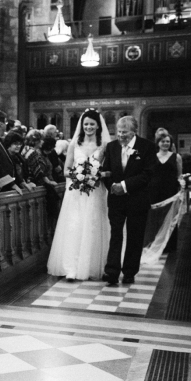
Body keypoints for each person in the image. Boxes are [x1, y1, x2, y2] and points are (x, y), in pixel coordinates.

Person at [47, 109, 112, 281]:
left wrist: (97, 175)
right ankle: (71, 267)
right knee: (74, 226)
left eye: (92, 124)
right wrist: (79, 175)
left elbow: (108, 169)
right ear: (81, 126)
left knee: (93, 225)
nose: (89, 127)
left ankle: (91, 265)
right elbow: (66, 170)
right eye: (86, 124)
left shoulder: (104, 145)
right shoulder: (74, 144)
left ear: (98, 125)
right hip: (76, 192)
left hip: (96, 191)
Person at [102, 115, 157, 285]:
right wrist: (112, 186)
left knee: (135, 237)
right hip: (116, 200)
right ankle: (111, 272)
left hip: (137, 199)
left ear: (134, 132)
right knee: (116, 235)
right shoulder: (111, 147)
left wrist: (124, 186)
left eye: (124, 133)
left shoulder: (147, 147)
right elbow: (106, 171)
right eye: (118, 132)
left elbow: (148, 174)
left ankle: (129, 272)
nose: (120, 136)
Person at [142, 128, 184, 258]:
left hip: (170, 190)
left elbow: (179, 174)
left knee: (169, 217)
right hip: (154, 190)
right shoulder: (152, 157)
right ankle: (152, 242)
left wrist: (181, 186)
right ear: (158, 143)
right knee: (154, 217)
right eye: (163, 141)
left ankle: (169, 245)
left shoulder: (176, 157)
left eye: (167, 141)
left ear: (171, 143)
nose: (165, 143)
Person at [0, 110, 24, 194]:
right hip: (1, 187)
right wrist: (12, 184)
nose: (6, 125)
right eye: (5, 122)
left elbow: (9, 162)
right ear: (1, 124)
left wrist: (21, 182)